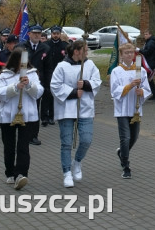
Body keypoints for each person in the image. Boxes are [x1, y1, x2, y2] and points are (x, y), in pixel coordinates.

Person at [50, 39, 102, 188]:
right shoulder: (62, 66)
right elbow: (55, 86)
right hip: (67, 108)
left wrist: (86, 84)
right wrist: (73, 92)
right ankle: (66, 173)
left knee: (86, 139)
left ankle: (77, 161)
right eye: (85, 50)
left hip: (84, 108)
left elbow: (97, 80)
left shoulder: (90, 65)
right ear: (76, 51)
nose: (87, 53)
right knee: (66, 143)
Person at [0, 46, 43, 190]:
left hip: (26, 116)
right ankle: (10, 172)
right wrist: (15, 87)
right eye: (21, 62)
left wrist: (29, 85)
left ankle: (21, 174)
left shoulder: (32, 74)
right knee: (9, 146)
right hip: (8, 115)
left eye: (25, 62)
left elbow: (38, 92)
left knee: (23, 146)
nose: (23, 65)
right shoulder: (4, 74)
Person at [110, 42, 150, 179]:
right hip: (122, 109)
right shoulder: (116, 71)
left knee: (134, 137)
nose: (129, 55)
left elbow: (147, 89)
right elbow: (114, 90)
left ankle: (122, 152)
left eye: (131, 53)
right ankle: (125, 165)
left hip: (135, 109)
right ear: (121, 55)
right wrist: (129, 86)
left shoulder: (141, 71)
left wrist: (141, 91)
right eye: (126, 53)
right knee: (125, 137)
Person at [24, 25, 49, 146]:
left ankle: (34, 135)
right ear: (29, 34)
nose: (37, 35)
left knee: (35, 109)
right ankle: (23, 132)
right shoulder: (22, 47)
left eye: (39, 33)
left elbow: (48, 68)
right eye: (34, 33)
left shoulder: (45, 48)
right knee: (23, 107)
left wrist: (47, 84)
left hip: (38, 83)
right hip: (24, 82)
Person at [41, 25, 69, 125]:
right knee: (46, 94)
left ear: (60, 34)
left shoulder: (64, 45)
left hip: (59, 73)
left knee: (54, 95)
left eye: (57, 34)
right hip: (48, 72)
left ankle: (52, 116)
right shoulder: (46, 45)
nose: (56, 35)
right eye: (54, 34)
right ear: (51, 34)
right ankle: (44, 116)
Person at [139, 29, 155, 97]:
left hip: (150, 64)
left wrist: (139, 50)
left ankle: (153, 93)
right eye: (144, 34)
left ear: (150, 35)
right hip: (149, 62)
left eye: (146, 34)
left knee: (146, 79)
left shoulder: (151, 43)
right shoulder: (148, 42)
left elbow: (147, 52)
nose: (145, 36)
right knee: (149, 80)